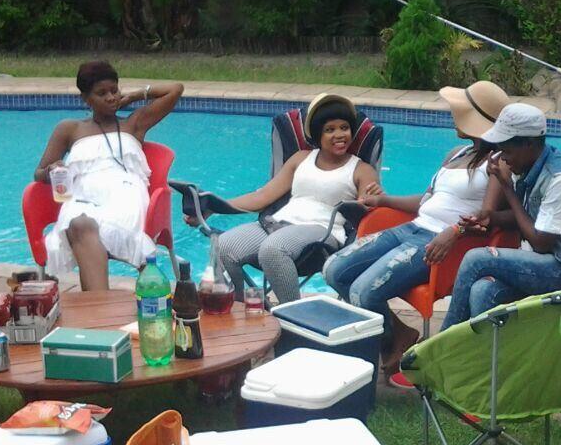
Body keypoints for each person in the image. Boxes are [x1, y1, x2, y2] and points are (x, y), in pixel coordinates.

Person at [324, 81, 509, 375]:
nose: (453, 116)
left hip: (442, 243)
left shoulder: (498, 163)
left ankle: (385, 346)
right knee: (333, 269)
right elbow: (426, 201)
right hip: (412, 228)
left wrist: (455, 231)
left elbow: (487, 217)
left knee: (363, 291)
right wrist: (382, 200)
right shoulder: (457, 153)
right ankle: (398, 333)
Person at [440, 103, 561, 330]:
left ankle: (444, 342)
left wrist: (507, 188)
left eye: (507, 151)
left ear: (529, 144)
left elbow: (541, 242)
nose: (503, 158)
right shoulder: (527, 166)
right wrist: (490, 218)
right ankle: (487, 353)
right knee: (482, 291)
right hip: (546, 263)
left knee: (476, 259)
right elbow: (527, 218)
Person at [218, 93, 381, 305]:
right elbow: (263, 197)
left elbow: (366, 212)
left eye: (344, 128)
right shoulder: (301, 158)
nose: (339, 135)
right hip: (278, 223)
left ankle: (291, 316)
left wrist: (367, 202)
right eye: (330, 130)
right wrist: (214, 206)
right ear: (318, 134)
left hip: (322, 233)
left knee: (273, 249)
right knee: (224, 245)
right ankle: (240, 309)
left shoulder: (361, 169)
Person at [34, 61, 183, 291]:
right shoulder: (69, 129)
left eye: (114, 90)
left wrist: (133, 96)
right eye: (101, 93)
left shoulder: (134, 123)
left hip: (125, 193)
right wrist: (51, 170)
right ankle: (98, 304)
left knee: (95, 226)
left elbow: (176, 89)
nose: (111, 97)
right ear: (86, 98)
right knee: (79, 223)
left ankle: (96, 307)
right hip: (82, 194)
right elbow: (39, 173)